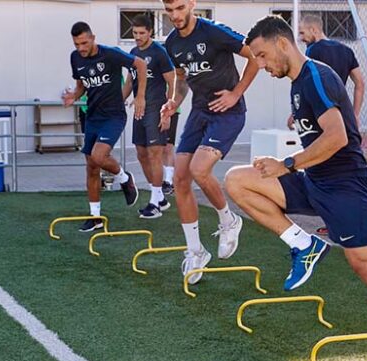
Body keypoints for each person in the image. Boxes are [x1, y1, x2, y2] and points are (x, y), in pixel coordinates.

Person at [226, 16, 367, 361]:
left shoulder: (317, 77)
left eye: (262, 56)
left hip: (344, 188)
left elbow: (338, 136)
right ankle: (302, 244)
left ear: (282, 43)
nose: (260, 66)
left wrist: (287, 164)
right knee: (237, 181)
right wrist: (288, 166)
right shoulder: (297, 84)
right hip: (315, 181)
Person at [159, 0, 259, 285]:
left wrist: (236, 93)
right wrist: (173, 102)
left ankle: (229, 221)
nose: (175, 15)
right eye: (169, 10)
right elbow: (182, 78)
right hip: (199, 112)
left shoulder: (214, 32)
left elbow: (254, 56)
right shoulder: (172, 42)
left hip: (227, 113)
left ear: (191, 3)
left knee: (200, 170)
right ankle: (195, 251)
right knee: (180, 178)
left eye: (179, 7)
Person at [62, 21, 146, 232]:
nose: (80, 48)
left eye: (83, 43)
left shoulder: (110, 54)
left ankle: (125, 179)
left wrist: (140, 97)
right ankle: (95, 217)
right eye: (76, 44)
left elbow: (141, 65)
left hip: (114, 115)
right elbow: (81, 84)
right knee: (91, 166)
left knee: (99, 156)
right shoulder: (75, 58)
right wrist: (74, 95)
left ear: (92, 38)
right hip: (92, 116)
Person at [296, 13, 366, 235]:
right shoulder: (346, 51)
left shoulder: (313, 53)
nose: (301, 37)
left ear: (314, 30)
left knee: (323, 168)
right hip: (343, 115)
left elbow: (309, 83)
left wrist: (297, 112)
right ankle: (346, 220)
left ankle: (337, 221)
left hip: (321, 118)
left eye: (302, 32)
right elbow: (360, 83)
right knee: (345, 168)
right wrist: (355, 113)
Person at [122, 14, 177, 219]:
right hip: (139, 110)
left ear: (150, 32)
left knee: (155, 154)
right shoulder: (134, 52)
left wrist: (169, 110)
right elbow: (129, 82)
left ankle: (154, 204)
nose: (137, 37)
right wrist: (118, 101)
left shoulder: (159, 53)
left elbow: (173, 83)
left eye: (141, 33)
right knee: (141, 154)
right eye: (135, 33)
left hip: (155, 108)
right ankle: (160, 197)